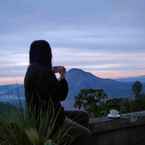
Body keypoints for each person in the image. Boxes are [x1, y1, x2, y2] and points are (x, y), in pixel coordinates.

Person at [24, 40, 92, 145]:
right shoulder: (44, 73)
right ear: (47, 54)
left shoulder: (31, 70)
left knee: (83, 116)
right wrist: (62, 75)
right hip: (52, 121)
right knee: (85, 134)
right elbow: (61, 95)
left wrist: (50, 70)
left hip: (42, 119)